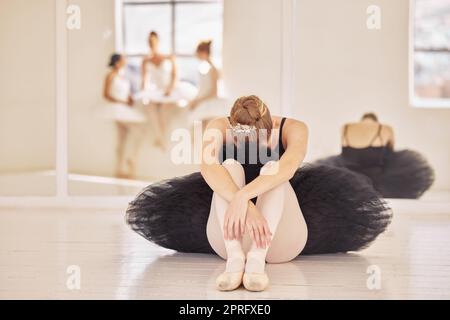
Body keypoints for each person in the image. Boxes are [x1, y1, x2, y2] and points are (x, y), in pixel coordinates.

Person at [126, 96, 392, 292]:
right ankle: (236, 259)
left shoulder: (294, 128)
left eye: (257, 140)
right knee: (228, 166)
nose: (250, 146)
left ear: (269, 127)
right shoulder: (219, 127)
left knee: (274, 169)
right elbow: (207, 166)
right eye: (242, 140)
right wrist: (243, 203)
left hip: (277, 239)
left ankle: (256, 260)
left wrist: (245, 197)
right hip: (230, 234)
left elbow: (288, 166)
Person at [316, 113, 435, 199]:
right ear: (376, 120)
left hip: (347, 172)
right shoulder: (385, 128)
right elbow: (390, 151)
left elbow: (344, 150)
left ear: (362, 120)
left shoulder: (346, 127)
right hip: (375, 174)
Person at [141, 31, 197, 150]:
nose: (151, 44)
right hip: (157, 91)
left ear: (158, 42)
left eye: (153, 41)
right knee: (150, 107)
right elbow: (144, 80)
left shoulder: (169, 58)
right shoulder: (145, 61)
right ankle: (160, 138)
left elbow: (175, 76)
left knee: (164, 110)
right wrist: (143, 93)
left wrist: (169, 89)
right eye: (149, 42)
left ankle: (160, 138)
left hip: (172, 89)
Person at [103, 53, 145, 179]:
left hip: (125, 108)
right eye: (123, 60)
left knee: (122, 140)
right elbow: (106, 95)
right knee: (136, 133)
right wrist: (122, 102)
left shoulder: (123, 76)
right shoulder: (110, 76)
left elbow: (125, 93)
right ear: (117, 62)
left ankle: (120, 169)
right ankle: (129, 161)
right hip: (117, 109)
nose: (125, 61)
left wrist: (129, 99)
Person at [188, 40, 230, 129]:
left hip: (210, 103)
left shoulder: (212, 69)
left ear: (203, 53)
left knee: (206, 129)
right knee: (200, 130)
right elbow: (203, 89)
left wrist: (197, 101)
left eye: (198, 52)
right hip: (204, 101)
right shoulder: (205, 67)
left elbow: (214, 92)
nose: (196, 55)